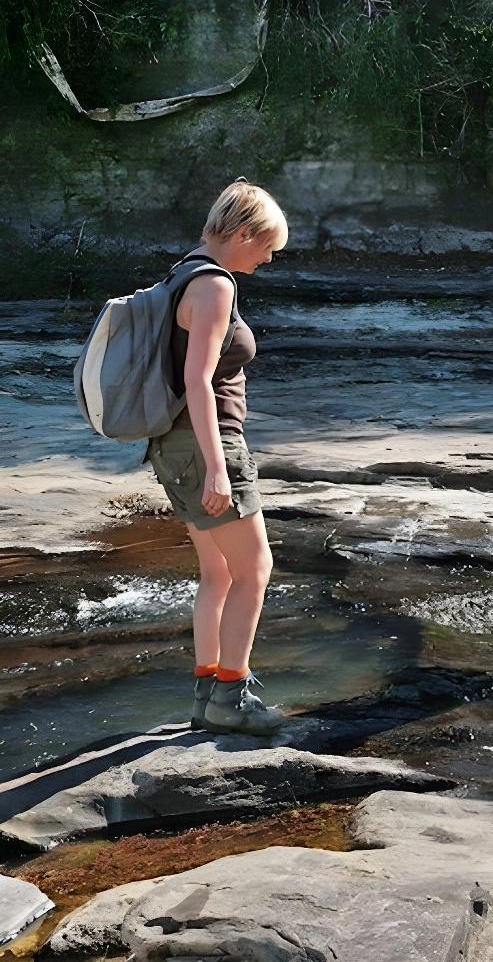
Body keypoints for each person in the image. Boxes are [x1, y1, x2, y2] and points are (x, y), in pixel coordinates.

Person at [149, 179, 288, 735]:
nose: (269, 258)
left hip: (171, 444)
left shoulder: (181, 270)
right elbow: (199, 381)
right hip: (206, 445)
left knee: (217, 573)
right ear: (242, 233)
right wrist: (215, 467)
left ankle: (208, 690)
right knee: (255, 569)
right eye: (266, 246)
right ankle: (231, 696)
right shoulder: (214, 286)